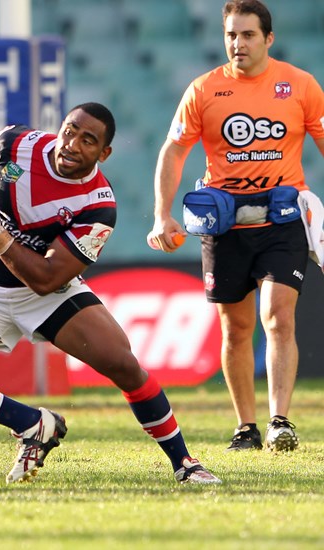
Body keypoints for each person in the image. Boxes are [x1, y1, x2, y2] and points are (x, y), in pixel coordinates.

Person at [0, 103, 221, 485]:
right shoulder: (15, 143)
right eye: (70, 131)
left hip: (47, 291)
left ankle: (185, 463)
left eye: (88, 141)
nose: (72, 144)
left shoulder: (98, 206)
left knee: (123, 364)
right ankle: (32, 424)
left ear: (104, 155)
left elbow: (47, 278)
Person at [147, 0, 324, 452]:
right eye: (231, 35)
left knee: (278, 317)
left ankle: (279, 421)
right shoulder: (204, 90)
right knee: (236, 329)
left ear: (268, 39)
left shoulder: (299, 85)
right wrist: (161, 214)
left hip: (282, 221)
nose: (238, 43)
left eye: (247, 35)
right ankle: (245, 427)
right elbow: (173, 150)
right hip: (224, 226)